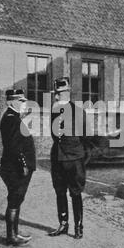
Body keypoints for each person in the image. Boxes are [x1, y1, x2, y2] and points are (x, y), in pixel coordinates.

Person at [48, 77, 91, 239]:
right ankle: (63, 224)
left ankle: (78, 227)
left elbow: (86, 137)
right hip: (57, 158)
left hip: (74, 159)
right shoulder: (54, 111)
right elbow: (54, 135)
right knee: (60, 192)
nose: (57, 97)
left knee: (75, 193)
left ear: (67, 93)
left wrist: (81, 158)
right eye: (57, 94)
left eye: (60, 93)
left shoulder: (79, 112)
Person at [0, 89, 36, 246]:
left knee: (16, 199)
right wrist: (23, 165)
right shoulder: (11, 119)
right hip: (16, 168)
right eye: (20, 101)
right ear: (10, 102)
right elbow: (14, 146)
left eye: (23, 101)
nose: (23, 103)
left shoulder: (13, 118)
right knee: (15, 200)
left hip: (14, 167)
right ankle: (12, 236)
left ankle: (14, 233)